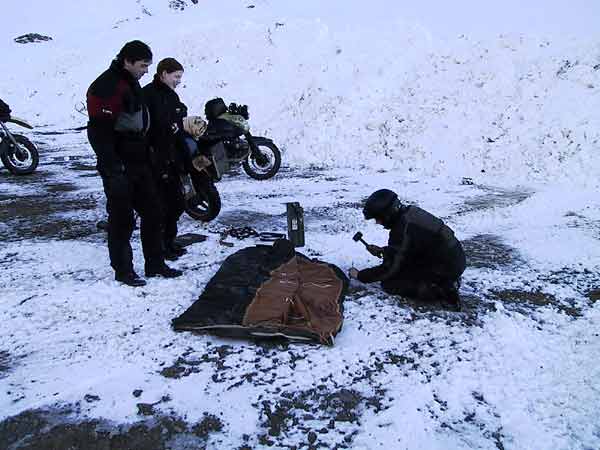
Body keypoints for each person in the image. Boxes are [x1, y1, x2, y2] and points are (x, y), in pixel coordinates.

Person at [86, 40, 182, 287]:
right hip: (119, 164)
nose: (146, 70)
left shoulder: (131, 82)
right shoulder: (106, 86)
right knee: (122, 219)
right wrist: (112, 169)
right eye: (143, 65)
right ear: (128, 61)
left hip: (140, 161)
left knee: (154, 212)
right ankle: (123, 271)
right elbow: (99, 133)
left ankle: (155, 264)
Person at [348, 189, 466, 307]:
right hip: (452, 258)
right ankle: (444, 280)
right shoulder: (410, 214)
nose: (378, 222)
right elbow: (409, 248)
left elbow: (390, 269)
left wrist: (360, 275)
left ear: (387, 214)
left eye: (378, 218)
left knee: (391, 284)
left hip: (446, 266)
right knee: (402, 269)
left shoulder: (402, 229)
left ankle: (441, 290)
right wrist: (385, 251)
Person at [143, 58, 188, 261]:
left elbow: (177, 123)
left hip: (171, 158)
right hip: (154, 159)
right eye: (176, 76)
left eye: (180, 77)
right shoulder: (148, 95)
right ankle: (160, 248)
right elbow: (149, 128)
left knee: (177, 204)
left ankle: (169, 242)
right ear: (163, 74)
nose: (178, 81)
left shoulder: (171, 96)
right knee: (160, 207)